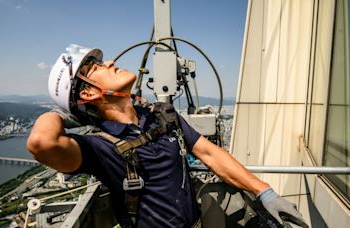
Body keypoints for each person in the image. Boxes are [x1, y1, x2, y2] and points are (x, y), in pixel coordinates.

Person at [27, 44, 305, 228]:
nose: (109, 62)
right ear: (88, 93)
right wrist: (61, 115)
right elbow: (41, 143)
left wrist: (264, 192)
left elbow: (210, 154)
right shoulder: (100, 148)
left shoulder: (161, 115)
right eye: (95, 66)